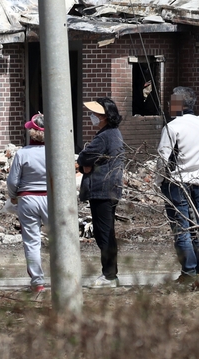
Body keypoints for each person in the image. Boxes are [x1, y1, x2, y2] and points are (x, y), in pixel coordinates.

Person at [156, 86, 199, 284]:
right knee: (198, 227)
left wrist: (160, 183)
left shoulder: (172, 127)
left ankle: (189, 272)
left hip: (177, 183)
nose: (168, 106)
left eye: (171, 102)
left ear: (179, 105)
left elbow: (162, 158)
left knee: (181, 229)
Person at [78, 97, 126, 288]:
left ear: (105, 116)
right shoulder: (113, 134)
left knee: (103, 234)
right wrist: (85, 167)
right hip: (110, 188)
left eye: (96, 114)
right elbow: (87, 163)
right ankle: (110, 273)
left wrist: (84, 165)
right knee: (107, 233)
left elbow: (84, 156)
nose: (92, 117)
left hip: (102, 189)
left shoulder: (105, 136)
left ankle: (109, 275)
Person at [7, 112, 49, 293]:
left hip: (27, 198)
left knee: (32, 241)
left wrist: (13, 195)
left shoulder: (22, 153)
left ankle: (37, 281)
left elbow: (12, 181)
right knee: (58, 239)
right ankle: (63, 275)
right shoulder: (55, 151)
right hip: (51, 198)